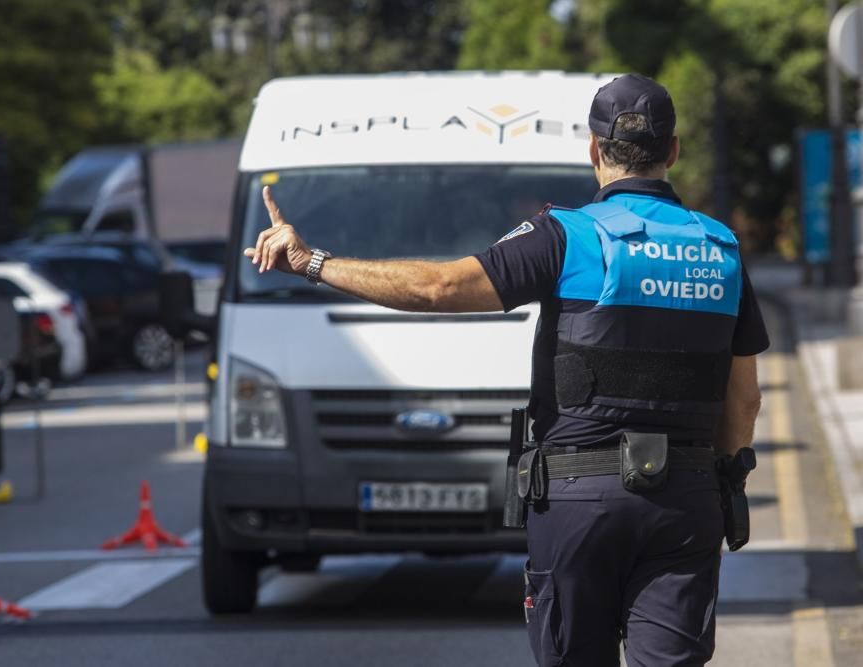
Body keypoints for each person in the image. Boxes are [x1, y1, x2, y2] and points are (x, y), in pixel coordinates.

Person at [244, 73, 768, 666]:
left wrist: (313, 261)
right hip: (685, 501)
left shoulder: (565, 237)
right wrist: (713, 482)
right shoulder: (718, 248)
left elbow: (438, 287)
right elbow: (743, 401)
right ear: (673, 151)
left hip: (577, 501)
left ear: (594, 151)